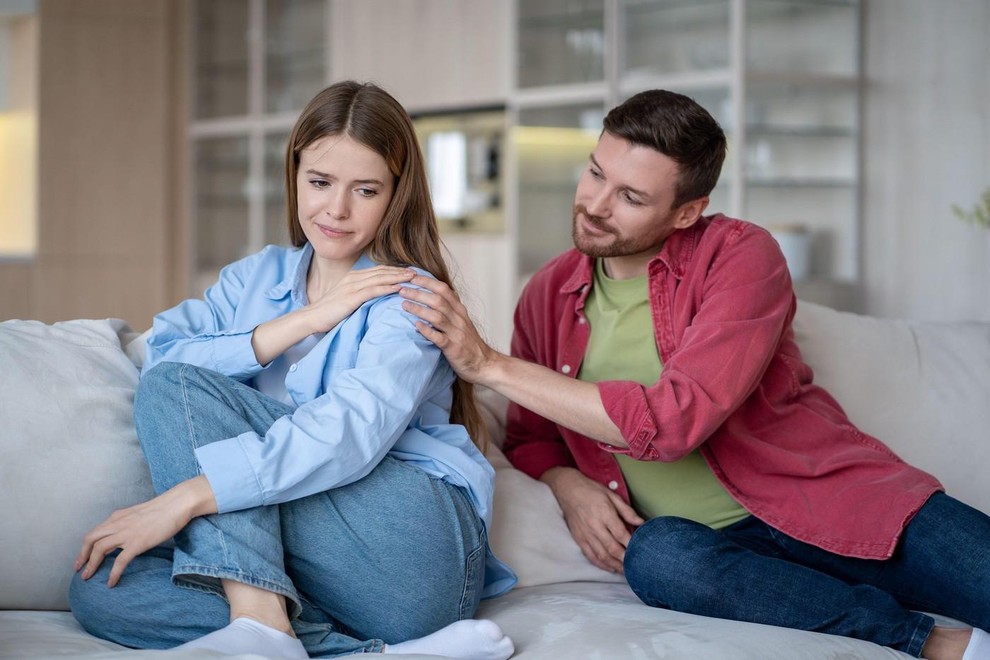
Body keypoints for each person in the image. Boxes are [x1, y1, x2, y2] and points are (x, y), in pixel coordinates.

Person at [397, 89, 990, 660]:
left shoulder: (741, 254)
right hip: (707, 548)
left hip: (831, 498)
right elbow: (532, 436)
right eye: (596, 173)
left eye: (631, 197)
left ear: (687, 212)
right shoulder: (549, 292)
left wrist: (490, 365)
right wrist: (568, 484)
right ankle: (928, 641)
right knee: (656, 560)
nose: (596, 204)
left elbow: (674, 423)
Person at [69, 80, 516, 660]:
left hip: (407, 552)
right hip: (313, 566)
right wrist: (302, 322)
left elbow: (348, 435)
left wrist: (186, 499)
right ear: (295, 175)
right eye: (320, 182)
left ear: (396, 196)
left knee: (181, 395)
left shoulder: (409, 296)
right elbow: (163, 356)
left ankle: (258, 622)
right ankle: (344, 646)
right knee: (101, 590)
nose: (336, 209)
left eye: (366, 189)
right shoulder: (253, 278)